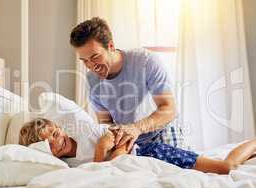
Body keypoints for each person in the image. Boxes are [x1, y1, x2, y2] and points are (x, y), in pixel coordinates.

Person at [70, 17, 184, 153]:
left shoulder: (146, 61)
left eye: (95, 57)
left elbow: (169, 109)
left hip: (161, 131)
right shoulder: (91, 81)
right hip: (127, 139)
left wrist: (137, 128)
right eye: (84, 60)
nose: (91, 66)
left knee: (172, 170)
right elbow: (105, 121)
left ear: (111, 46)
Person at [19, 118, 256, 174]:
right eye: (46, 142)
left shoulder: (84, 130)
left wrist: (103, 152)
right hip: (144, 166)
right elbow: (111, 162)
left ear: (58, 126)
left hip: (152, 153)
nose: (55, 140)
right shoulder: (65, 166)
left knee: (226, 167)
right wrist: (103, 153)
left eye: (53, 132)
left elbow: (120, 147)